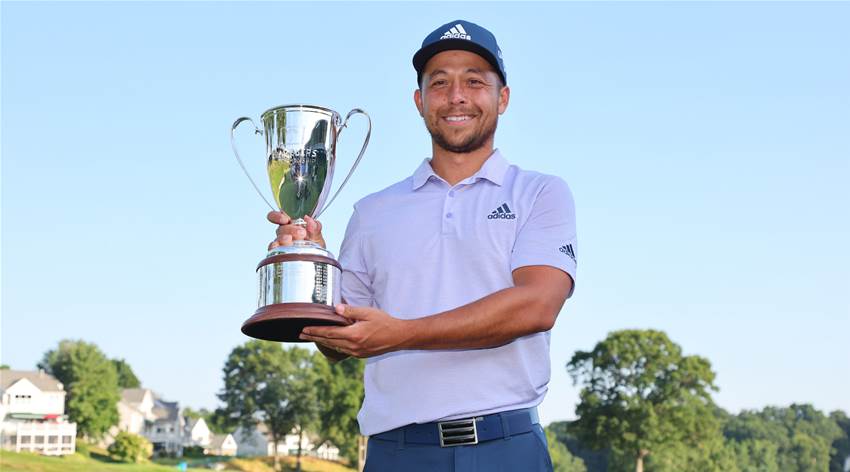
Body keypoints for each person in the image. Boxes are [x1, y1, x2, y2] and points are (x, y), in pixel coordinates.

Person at [267, 19, 577, 472]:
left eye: (474, 81)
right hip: (397, 452)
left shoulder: (540, 192)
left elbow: (536, 306)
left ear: (502, 98)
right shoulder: (372, 211)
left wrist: (402, 333)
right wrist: (311, 263)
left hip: (506, 447)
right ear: (419, 101)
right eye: (440, 83)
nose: (457, 97)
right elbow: (338, 342)